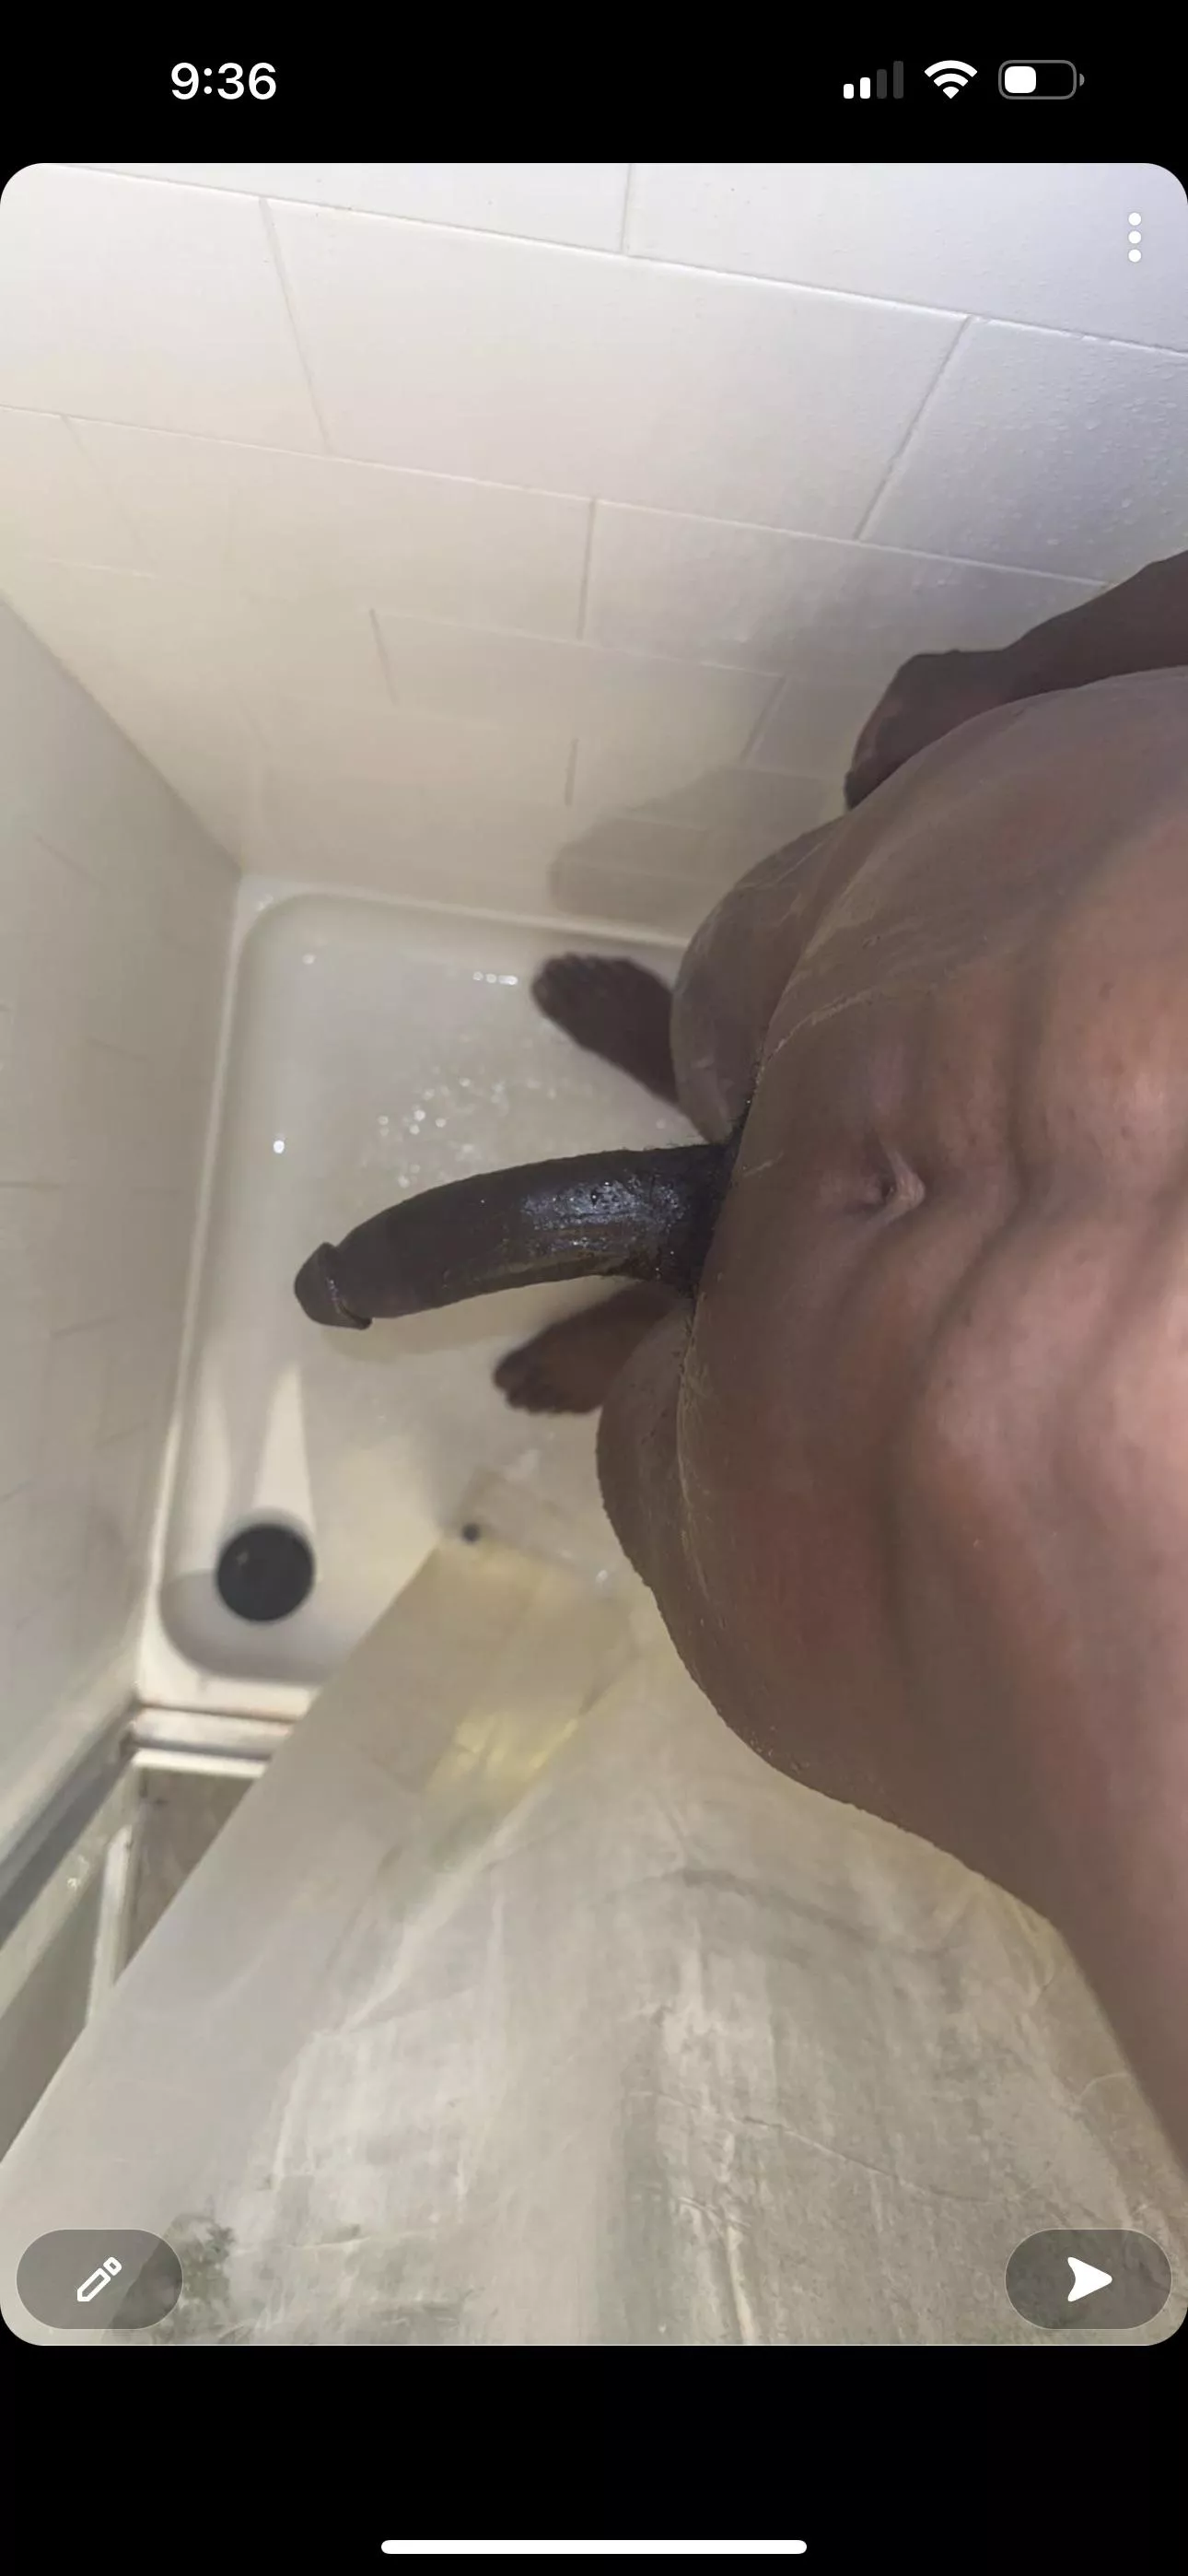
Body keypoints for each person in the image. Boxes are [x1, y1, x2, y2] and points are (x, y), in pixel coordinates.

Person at [496, 550, 1188, 2172]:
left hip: (884, 1570)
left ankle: (662, 1299)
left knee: (673, 1441)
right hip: (946, 917)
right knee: (744, 1010)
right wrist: (1038, 666)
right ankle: (688, 1124)